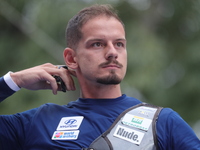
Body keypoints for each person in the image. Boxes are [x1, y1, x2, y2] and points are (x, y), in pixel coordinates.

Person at [0, 4, 199, 150]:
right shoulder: (39, 121)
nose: (112, 52)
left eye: (119, 44)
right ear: (71, 58)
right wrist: (13, 81)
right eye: (98, 44)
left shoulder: (163, 123)